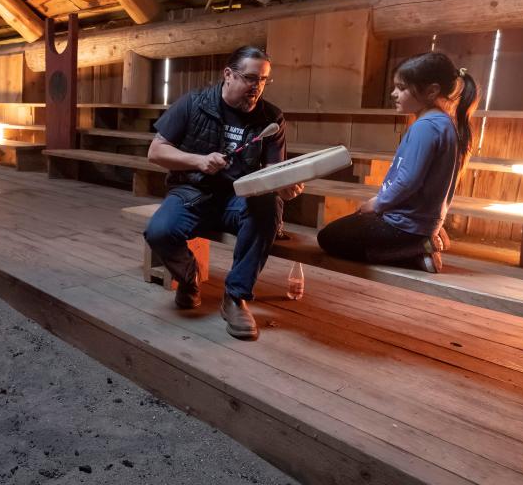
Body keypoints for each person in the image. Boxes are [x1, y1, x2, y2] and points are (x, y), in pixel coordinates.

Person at [143, 46, 303, 341]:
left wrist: (284, 187)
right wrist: (199, 161)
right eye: (250, 78)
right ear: (228, 74)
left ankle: (235, 297)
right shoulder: (193, 103)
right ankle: (189, 279)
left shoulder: (271, 118)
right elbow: (156, 152)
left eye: (264, 80)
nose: (257, 87)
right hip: (193, 191)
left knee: (268, 204)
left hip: (239, 199)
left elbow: (273, 171)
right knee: (159, 232)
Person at [317, 52, 479, 274]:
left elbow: (407, 181)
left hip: (403, 226)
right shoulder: (442, 124)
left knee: (328, 238)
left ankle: (415, 249)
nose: (394, 94)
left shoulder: (427, 127)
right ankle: (421, 241)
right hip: (413, 223)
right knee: (349, 225)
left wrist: (377, 203)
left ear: (432, 91)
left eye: (402, 88)